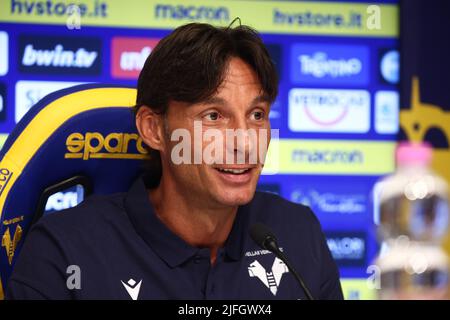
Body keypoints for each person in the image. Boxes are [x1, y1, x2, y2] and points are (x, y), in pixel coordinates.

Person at [6, 22, 343, 300]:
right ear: (154, 129)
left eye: (257, 114)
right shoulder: (63, 251)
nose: (245, 141)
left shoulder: (298, 234)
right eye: (214, 116)